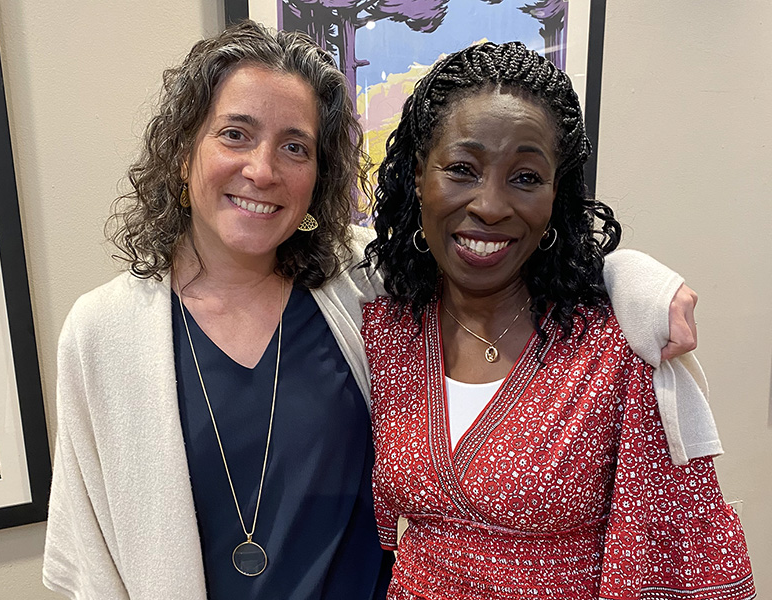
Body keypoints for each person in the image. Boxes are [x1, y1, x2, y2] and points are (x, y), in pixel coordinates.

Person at [43, 21, 703, 600]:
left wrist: (637, 278)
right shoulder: (104, 334)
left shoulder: (360, 286)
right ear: (185, 151)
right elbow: (89, 555)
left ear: (319, 174)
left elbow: (495, 251)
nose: (264, 170)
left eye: (295, 146)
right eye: (236, 135)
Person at [362, 41, 754, 599]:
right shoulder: (388, 330)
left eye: (525, 177)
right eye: (462, 169)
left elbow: (674, 556)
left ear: (556, 198)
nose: (491, 205)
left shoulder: (614, 348)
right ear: (417, 179)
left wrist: (635, 279)